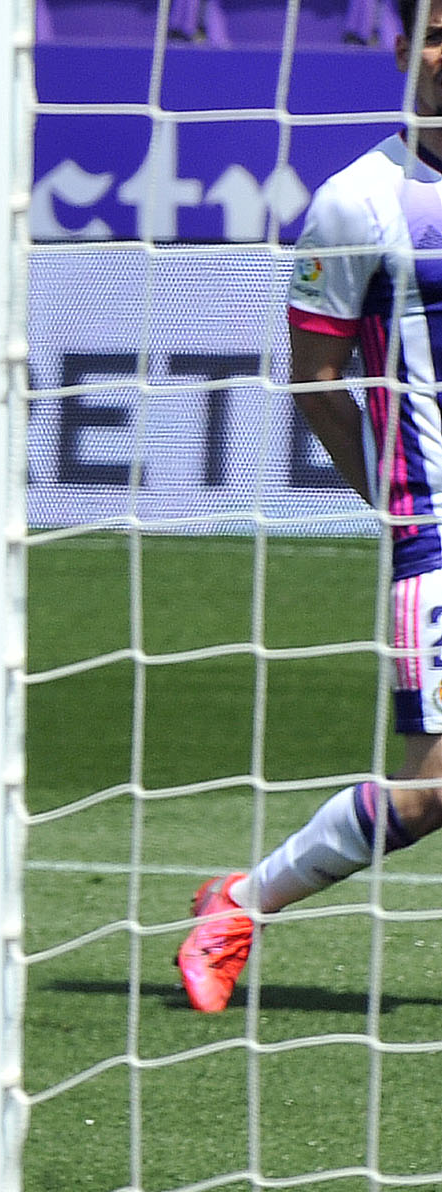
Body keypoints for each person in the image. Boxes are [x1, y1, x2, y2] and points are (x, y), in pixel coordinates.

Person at [182, 6, 442, 1012]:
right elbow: (315, 377)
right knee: (432, 788)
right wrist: (389, 498)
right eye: (429, 32)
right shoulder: (359, 201)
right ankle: (237, 904)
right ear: (398, 52)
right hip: (439, 527)